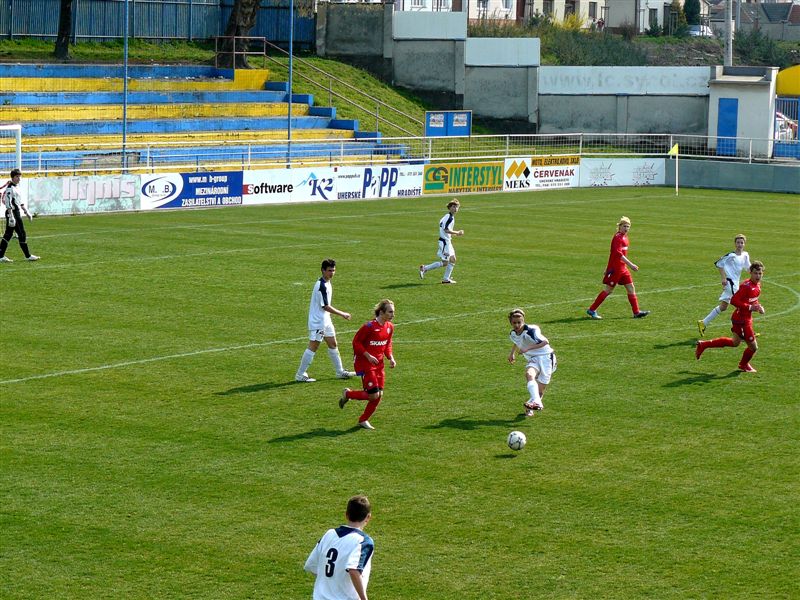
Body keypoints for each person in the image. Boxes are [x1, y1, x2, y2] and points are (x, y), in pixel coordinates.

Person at [695, 261, 765, 372]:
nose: (758, 276)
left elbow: (753, 300)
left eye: (760, 273)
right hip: (742, 321)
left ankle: (703, 345)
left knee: (734, 342)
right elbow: (734, 300)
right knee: (753, 347)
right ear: (750, 273)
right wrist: (750, 308)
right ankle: (743, 365)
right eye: (755, 273)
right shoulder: (746, 286)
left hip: (744, 319)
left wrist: (758, 307)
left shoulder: (757, 286)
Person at [295, 259, 356, 383]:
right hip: (318, 322)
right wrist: (342, 314)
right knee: (313, 347)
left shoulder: (327, 282)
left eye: (333, 270)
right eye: (329, 270)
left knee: (333, 344)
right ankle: (300, 374)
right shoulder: (321, 285)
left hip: (325, 320)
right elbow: (325, 306)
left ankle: (340, 371)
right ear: (322, 270)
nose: (332, 273)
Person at [339, 300, 396, 430]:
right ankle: (348, 394)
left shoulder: (389, 327)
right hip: (366, 364)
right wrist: (368, 355)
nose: (393, 315)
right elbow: (356, 343)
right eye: (390, 312)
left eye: (393, 312)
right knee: (373, 395)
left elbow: (387, 344)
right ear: (381, 312)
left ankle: (363, 419)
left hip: (379, 365)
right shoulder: (369, 327)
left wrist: (391, 358)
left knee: (379, 394)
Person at [304, 495, 374, 600]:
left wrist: (331, 584)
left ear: (346, 514)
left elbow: (311, 565)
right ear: (368, 517)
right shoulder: (363, 541)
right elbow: (354, 570)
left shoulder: (329, 534)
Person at [586, 216, 649, 319]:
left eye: (628, 227)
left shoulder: (625, 237)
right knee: (609, 290)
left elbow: (613, 255)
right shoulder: (617, 238)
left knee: (631, 288)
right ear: (619, 226)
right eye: (624, 226)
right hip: (616, 269)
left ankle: (636, 312)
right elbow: (618, 254)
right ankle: (592, 310)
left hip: (623, 269)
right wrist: (631, 264)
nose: (626, 228)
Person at [697, 234, 751, 337]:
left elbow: (748, 268)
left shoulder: (745, 255)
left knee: (723, 306)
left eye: (742, 242)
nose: (740, 244)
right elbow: (719, 264)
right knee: (742, 307)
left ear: (744, 244)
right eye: (738, 242)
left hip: (735, 284)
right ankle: (743, 333)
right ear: (735, 244)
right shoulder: (731, 255)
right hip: (731, 284)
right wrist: (723, 278)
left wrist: (756, 272)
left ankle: (703, 323)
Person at [507, 308, 557, 416]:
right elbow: (517, 341)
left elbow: (545, 342)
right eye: (514, 323)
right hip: (533, 359)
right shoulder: (512, 334)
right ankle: (538, 403)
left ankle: (532, 405)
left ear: (523, 321)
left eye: (519, 322)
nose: (517, 325)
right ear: (510, 322)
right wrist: (512, 353)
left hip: (546, 358)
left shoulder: (531, 331)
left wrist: (527, 349)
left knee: (540, 391)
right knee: (529, 374)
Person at [419, 198, 463, 284]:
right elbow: (446, 230)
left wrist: (453, 234)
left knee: (453, 259)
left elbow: (446, 230)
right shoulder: (449, 218)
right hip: (445, 242)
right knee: (445, 262)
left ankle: (446, 279)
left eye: (457, 207)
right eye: (453, 207)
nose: (455, 209)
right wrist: (457, 232)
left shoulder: (447, 216)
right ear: (449, 207)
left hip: (447, 241)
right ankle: (425, 268)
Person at [0, 168, 39, 263]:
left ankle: (0, 256)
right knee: (21, 233)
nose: (19, 178)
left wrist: (26, 212)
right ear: (13, 177)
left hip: (16, 212)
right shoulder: (10, 188)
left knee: (8, 235)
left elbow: (19, 202)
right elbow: (8, 202)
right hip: (12, 212)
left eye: (19, 176)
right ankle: (28, 256)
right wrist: (11, 216)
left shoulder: (16, 187)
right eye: (17, 176)